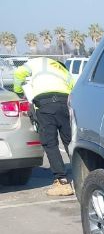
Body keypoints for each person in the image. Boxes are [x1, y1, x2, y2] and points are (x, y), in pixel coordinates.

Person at [13, 57, 75, 196]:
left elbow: (18, 74)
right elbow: (73, 86)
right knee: (69, 141)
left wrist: (18, 91)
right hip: (65, 103)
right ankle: (79, 176)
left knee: (50, 143)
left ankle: (62, 181)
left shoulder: (34, 63)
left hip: (45, 104)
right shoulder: (61, 68)